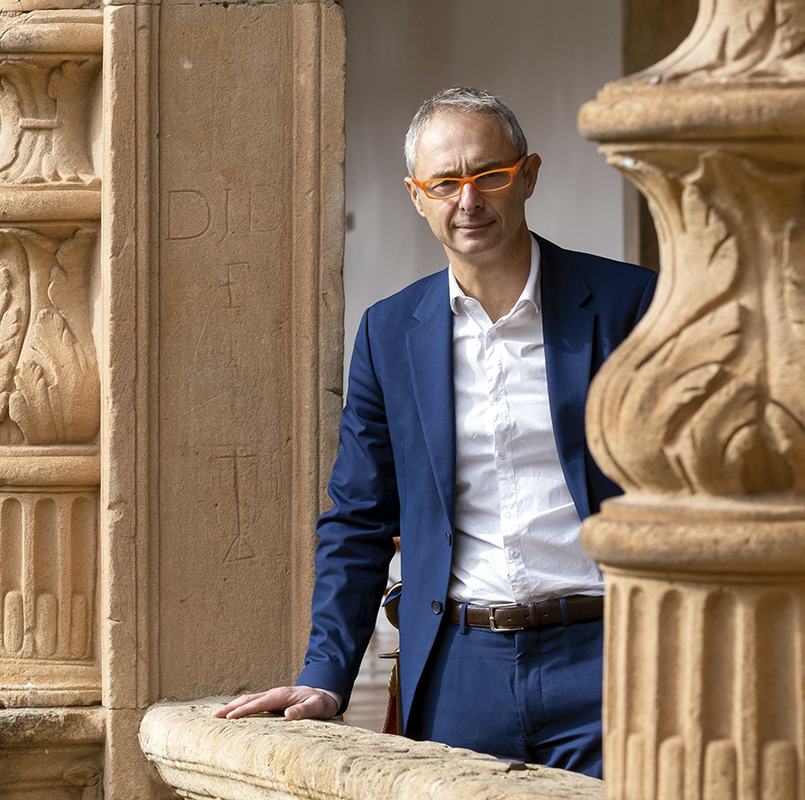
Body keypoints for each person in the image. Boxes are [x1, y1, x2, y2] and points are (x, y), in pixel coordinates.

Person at [214, 87, 655, 778]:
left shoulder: (632, 304)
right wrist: (326, 673)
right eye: (445, 182)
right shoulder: (389, 331)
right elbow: (358, 517)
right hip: (458, 669)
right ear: (417, 196)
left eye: (489, 175)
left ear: (529, 175)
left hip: (607, 656)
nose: (468, 201)